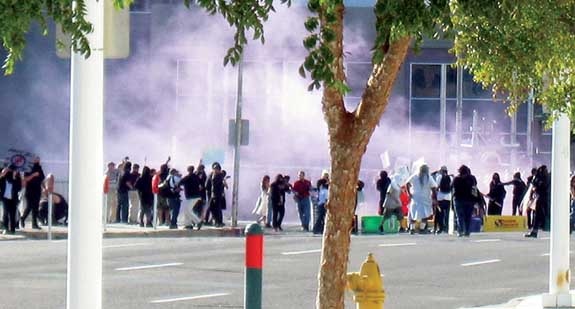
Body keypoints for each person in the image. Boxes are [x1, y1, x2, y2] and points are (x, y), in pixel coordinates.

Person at [406, 164, 437, 234]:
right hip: (425, 198)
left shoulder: (415, 176)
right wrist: (434, 198)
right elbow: (434, 188)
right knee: (425, 214)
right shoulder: (429, 178)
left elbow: (407, 183)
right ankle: (422, 229)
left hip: (415, 198)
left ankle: (412, 229)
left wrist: (409, 193)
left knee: (413, 214)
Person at [452, 165, 478, 237]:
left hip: (459, 200)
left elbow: (453, 189)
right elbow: (474, 189)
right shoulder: (472, 178)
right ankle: (466, 231)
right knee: (467, 217)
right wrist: (475, 199)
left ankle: (461, 231)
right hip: (468, 200)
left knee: (460, 216)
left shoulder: (456, 179)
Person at [525, 165, 550, 238]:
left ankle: (535, 231)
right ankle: (534, 231)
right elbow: (534, 186)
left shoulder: (543, 178)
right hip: (542, 198)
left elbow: (536, 186)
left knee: (542, 214)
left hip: (543, 198)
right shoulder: (542, 177)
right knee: (538, 215)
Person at [21, 157, 45, 229]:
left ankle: (34, 224)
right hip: (30, 190)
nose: (37, 160)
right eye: (36, 159)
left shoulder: (39, 168)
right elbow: (26, 179)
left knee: (35, 208)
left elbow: (42, 178)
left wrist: (43, 188)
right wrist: (33, 175)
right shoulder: (28, 168)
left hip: (37, 190)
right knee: (29, 206)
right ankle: (22, 218)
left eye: (38, 159)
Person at [178, 165, 203, 230]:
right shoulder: (196, 177)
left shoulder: (187, 177)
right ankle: (188, 224)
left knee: (187, 210)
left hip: (191, 196)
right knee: (187, 210)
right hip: (196, 196)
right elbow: (201, 185)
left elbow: (179, 183)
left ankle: (198, 221)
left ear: (188, 170)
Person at [0, 165, 22, 234]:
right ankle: (6, 228)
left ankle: (12, 229)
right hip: (5, 198)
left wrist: (14, 177)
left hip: (13, 198)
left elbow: (19, 188)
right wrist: (2, 174)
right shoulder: (4, 178)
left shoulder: (17, 178)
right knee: (6, 212)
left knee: (12, 213)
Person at [206, 162, 226, 227]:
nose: (215, 170)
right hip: (213, 194)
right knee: (212, 208)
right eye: (214, 168)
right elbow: (207, 185)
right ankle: (217, 221)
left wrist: (213, 176)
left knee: (217, 208)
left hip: (217, 194)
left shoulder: (219, 176)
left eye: (216, 169)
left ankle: (219, 222)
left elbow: (215, 183)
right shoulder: (212, 175)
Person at [434, 166, 451, 234]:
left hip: (440, 198)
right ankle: (446, 228)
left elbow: (436, 186)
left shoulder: (439, 177)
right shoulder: (450, 177)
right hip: (448, 198)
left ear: (441, 171)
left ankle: (441, 228)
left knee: (440, 214)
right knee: (447, 214)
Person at [313, 170, 329, 235]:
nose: (326, 177)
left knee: (324, 217)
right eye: (325, 175)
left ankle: (322, 229)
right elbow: (319, 187)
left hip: (326, 202)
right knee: (320, 216)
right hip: (321, 202)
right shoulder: (320, 182)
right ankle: (316, 229)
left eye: (327, 175)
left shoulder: (328, 183)